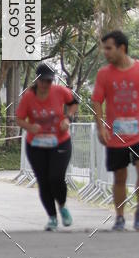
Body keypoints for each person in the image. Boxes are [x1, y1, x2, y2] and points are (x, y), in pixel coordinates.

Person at [16, 63, 78, 230]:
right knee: (43, 181)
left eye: (49, 81)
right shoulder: (28, 97)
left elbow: (74, 103)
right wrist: (30, 127)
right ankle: (52, 217)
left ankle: (63, 206)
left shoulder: (59, 91)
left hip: (60, 141)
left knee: (56, 177)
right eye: (43, 81)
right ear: (37, 80)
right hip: (36, 145)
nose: (46, 85)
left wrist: (68, 118)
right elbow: (19, 118)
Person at [91, 30, 139, 231]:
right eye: (104, 48)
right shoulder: (104, 74)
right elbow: (97, 101)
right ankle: (119, 217)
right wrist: (101, 128)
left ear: (122, 48)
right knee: (120, 177)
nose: (105, 52)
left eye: (109, 48)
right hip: (116, 135)